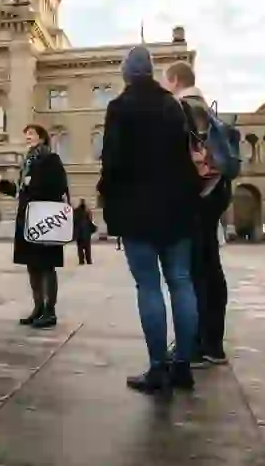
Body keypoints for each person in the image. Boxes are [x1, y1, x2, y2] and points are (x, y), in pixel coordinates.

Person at [97, 46, 201, 395]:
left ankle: (158, 367)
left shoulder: (120, 108)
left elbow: (111, 162)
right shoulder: (173, 105)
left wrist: (107, 200)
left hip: (137, 209)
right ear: (152, 72)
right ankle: (183, 365)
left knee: (149, 286)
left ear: (127, 74)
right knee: (182, 282)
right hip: (178, 206)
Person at [167, 61, 231, 367]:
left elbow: (175, 154)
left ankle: (195, 345)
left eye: (167, 83)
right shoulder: (206, 106)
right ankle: (213, 344)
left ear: (175, 80)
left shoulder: (183, 106)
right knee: (210, 266)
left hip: (199, 192)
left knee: (194, 270)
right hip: (218, 189)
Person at [0, 124, 70, 329]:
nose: (27, 137)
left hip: (45, 220)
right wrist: (2, 185)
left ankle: (50, 311)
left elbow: (58, 186)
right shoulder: (27, 161)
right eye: (26, 134)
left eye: (31, 134)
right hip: (28, 219)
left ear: (42, 137)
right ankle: (38, 308)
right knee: (32, 265)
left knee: (47, 266)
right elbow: (22, 192)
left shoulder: (50, 159)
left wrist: (32, 184)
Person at [74, 199, 96, 265]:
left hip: (79, 233)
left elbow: (74, 221)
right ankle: (88, 260)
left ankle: (81, 261)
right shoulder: (87, 211)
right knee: (87, 248)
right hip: (86, 232)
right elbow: (91, 220)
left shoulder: (76, 211)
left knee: (80, 248)